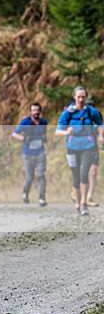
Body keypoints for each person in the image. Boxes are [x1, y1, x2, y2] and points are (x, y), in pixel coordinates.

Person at [56, 85, 103, 216]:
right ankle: (77, 202)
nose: (81, 99)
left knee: (84, 173)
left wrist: (100, 136)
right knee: (76, 177)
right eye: (79, 97)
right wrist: (66, 132)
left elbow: (100, 124)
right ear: (74, 97)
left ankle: (83, 203)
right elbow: (57, 131)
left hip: (88, 145)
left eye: (83, 97)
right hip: (72, 147)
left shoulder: (91, 111)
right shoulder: (67, 113)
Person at [12, 102, 47, 206]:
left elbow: (44, 133)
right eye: (34, 110)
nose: (36, 112)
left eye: (37, 110)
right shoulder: (25, 122)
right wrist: (24, 139)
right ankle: (25, 193)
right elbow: (14, 134)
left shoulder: (44, 122)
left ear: (40, 111)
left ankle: (42, 198)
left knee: (41, 175)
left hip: (40, 152)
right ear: (30, 112)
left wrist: (44, 138)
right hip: (27, 153)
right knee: (30, 176)